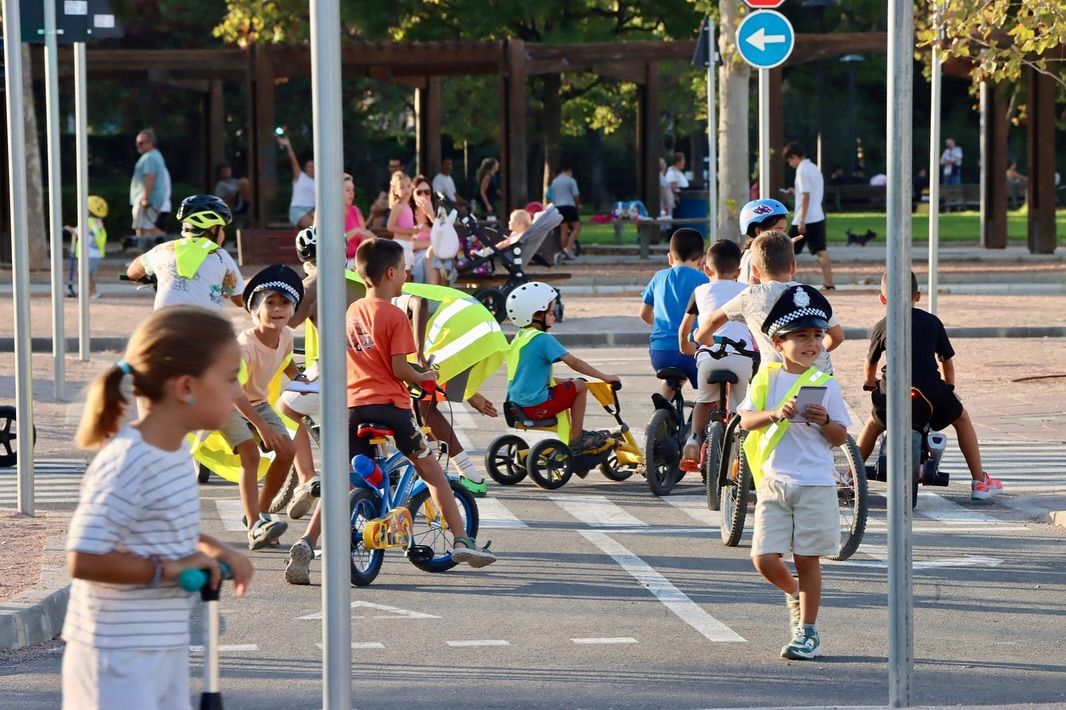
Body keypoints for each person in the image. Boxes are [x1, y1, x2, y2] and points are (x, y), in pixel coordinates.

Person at [62, 306, 253, 709]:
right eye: (230, 378)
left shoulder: (176, 453)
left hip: (163, 644)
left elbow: (159, 525)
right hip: (115, 655)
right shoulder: (128, 461)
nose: (240, 391)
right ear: (186, 387)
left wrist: (212, 547)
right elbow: (84, 557)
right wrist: (170, 569)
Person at [346, 238, 496, 566]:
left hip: (354, 407)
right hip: (391, 407)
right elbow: (400, 368)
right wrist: (425, 377)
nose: (407, 274)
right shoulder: (393, 315)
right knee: (432, 471)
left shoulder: (352, 311)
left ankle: (317, 536)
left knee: (349, 481)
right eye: (403, 269)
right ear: (390, 273)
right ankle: (461, 540)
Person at [738, 284, 851, 660]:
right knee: (764, 558)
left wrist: (825, 422)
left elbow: (840, 437)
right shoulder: (766, 379)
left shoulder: (825, 384)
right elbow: (746, 421)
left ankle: (808, 631)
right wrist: (774, 414)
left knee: (807, 558)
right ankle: (795, 595)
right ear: (777, 342)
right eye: (801, 336)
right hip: (775, 481)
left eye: (817, 335)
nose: (812, 343)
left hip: (815, 483)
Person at [856, 271, 1004, 501]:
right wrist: (949, 386)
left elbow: (871, 363)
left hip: (892, 391)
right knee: (961, 418)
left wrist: (869, 382)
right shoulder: (932, 322)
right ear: (918, 296)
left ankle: (851, 476)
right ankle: (979, 481)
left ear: (883, 299)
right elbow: (946, 360)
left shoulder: (882, 325)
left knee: (874, 423)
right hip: (930, 392)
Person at [220, 265, 311, 551]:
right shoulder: (244, 346)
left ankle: (259, 514)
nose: (277, 309)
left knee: (287, 450)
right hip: (226, 402)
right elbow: (233, 390)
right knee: (250, 453)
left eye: (284, 303)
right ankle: (255, 524)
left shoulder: (286, 336)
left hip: (256, 402)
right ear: (255, 310)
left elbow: (285, 360)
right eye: (270, 303)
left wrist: (298, 378)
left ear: (292, 309)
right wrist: (261, 427)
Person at [695, 231, 845, 375]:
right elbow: (837, 337)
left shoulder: (750, 296)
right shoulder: (811, 294)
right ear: (793, 266)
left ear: (755, 271)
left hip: (776, 377)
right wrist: (812, 353)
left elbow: (713, 320)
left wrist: (703, 338)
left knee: (754, 393)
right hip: (818, 377)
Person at [505, 281, 620, 453]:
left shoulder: (520, 338)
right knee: (580, 386)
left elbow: (527, 375)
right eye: (551, 313)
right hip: (536, 405)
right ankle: (577, 437)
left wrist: (561, 381)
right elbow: (574, 363)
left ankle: (571, 435)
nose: (553, 317)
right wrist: (605, 377)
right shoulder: (542, 339)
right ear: (537, 314)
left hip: (517, 405)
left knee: (567, 386)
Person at [677, 239, 753, 466]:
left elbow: (684, 330)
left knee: (704, 400)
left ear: (706, 269)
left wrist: (686, 348)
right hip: (741, 357)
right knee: (744, 406)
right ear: (738, 272)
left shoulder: (700, 291)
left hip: (709, 356)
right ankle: (740, 451)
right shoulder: (747, 291)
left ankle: (694, 438)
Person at [126, 194, 244, 311]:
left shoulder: (161, 250)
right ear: (213, 229)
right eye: (222, 229)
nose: (223, 234)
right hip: (206, 320)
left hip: (167, 318)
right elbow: (239, 300)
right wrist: (226, 288)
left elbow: (131, 273)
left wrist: (144, 277)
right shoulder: (221, 256)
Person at [639, 228, 707, 396]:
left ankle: (662, 408)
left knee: (672, 381)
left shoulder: (659, 277)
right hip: (692, 351)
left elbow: (644, 314)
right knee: (710, 391)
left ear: (669, 257)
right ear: (701, 260)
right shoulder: (704, 281)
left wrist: (662, 325)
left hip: (660, 353)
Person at [783, 141, 835, 291]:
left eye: (789, 160)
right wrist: (796, 192)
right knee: (821, 251)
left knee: (786, 249)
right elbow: (809, 193)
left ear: (794, 157)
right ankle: (829, 283)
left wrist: (802, 220)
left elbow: (806, 196)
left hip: (804, 218)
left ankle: (784, 282)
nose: (790, 164)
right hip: (817, 215)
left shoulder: (801, 170)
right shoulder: (813, 168)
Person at [737, 198, 790, 285]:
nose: (783, 235)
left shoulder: (755, 252)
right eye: (778, 230)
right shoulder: (759, 256)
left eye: (784, 231)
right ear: (758, 231)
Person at [66, 195, 108, 299]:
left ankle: (89, 293)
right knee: (90, 274)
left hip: (87, 253)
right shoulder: (98, 222)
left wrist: (68, 228)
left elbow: (77, 233)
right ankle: (92, 292)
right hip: (95, 254)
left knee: (83, 273)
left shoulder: (87, 221)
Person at [130, 129, 167, 240]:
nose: (138, 145)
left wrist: (145, 199)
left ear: (151, 142)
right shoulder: (156, 155)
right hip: (152, 199)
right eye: (137, 142)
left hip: (146, 200)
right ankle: (169, 246)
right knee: (151, 227)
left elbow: (150, 178)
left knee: (144, 229)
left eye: (141, 142)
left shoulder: (149, 157)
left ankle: (144, 250)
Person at [278, 135, 315, 228]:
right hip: (298, 209)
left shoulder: (319, 182)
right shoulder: (300, 176)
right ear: (305, 168)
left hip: (313, 210)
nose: (311, 169)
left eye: (313, 167)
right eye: (309, 166)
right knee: (315, 227)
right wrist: (288, 145)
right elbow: (293, 161)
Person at [386, 171, 418, 277]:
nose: (406, 190)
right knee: (402, 276)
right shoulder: (398, 206)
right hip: (401, 245)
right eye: (402, 187)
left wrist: (415, 230)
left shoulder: (408, 206)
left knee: (408, 275)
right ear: (395, 190)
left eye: (408, 186)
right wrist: (410, 231)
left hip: (409, 245)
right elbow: (390, 227)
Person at [550, 165, 582, 260]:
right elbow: (576, 195)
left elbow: (553, 197)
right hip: (569, 206)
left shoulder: (555, 181)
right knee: (577, 227)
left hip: (558, 207)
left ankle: (563, 252)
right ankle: (568, 248)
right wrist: (578, 205)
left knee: (563, 229)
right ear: (568, 170)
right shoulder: (571, 181)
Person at [343, 174, 375, 264]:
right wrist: (356, 231)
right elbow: (331, 244)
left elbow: (364, 237)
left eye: (352, 190)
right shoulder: (327, 214)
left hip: (355, 262)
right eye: (347, 190)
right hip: (335, 263)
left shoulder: (355, 210)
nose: (352, 193)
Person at [665, 152, 689, 219]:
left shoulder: (678, 172)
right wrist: (679, 201)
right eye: (683, 161)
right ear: (678, 162)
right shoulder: (672, 173)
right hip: (676, 203)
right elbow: (674, 189)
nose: (684, 163)